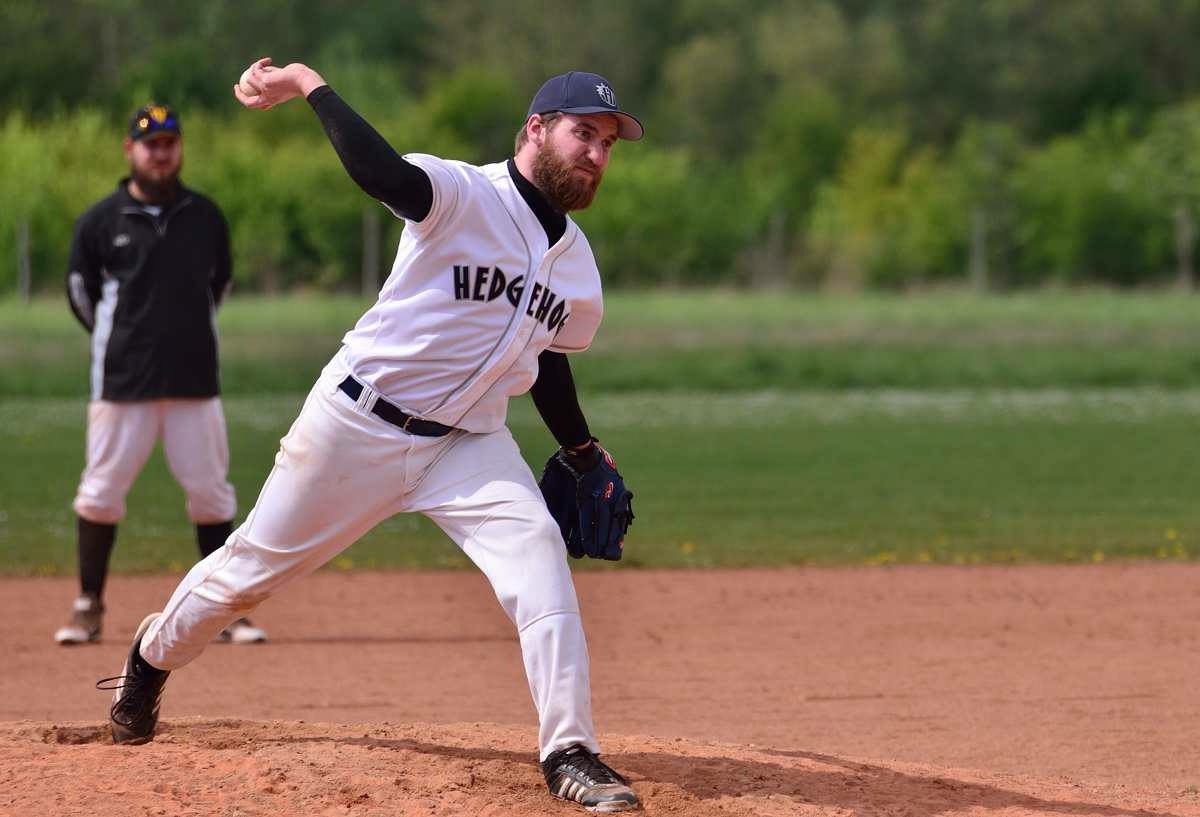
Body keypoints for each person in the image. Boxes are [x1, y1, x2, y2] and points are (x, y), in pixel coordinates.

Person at [100, 60, 644, 812]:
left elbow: (546, 360)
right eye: (584, 132)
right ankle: (150, 657)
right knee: (247, 571)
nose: (595, 153)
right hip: (358, 422)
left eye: (609, 142)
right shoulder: (463, 193)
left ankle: (570, 750)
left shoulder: (578, 268)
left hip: (468, 444)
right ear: (536, 130)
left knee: (539, 557)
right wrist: (306, 82)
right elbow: (381, 171)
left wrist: (582, 449)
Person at [58, 104, 267, 647]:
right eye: (150, 143)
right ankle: (88, 607)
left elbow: (217, 285)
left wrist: (182, 334)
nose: (161, 151)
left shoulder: (205, 215)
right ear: (130, 150)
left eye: (170, 142)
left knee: (211, 495)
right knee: (101, 492)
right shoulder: (100, 221)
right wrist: (124, 340)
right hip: (123, 383)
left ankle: (224, 612)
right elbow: (82, 295)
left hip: (194, 381)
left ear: (180, 148)